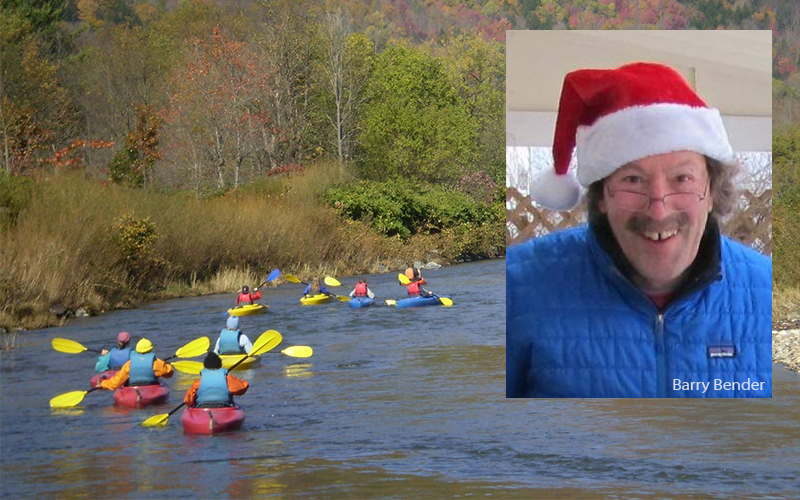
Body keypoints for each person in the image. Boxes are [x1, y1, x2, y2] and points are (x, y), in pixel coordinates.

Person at [507, 62, 771, 398]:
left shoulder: (766, 290)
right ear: (602, 196)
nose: (659, 209)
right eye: (633, 180)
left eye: (682, 179)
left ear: (712, 193)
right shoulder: (515, 288)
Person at [97, 338, 174, 389]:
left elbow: (116, 382)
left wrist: (103, 384)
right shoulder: (156, 363)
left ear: (137, 350)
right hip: (151, 388)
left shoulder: (128, 364)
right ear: (151, 349)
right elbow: (169, 373)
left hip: (132, 389)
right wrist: (167, 365)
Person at [184, 352, 249, 408]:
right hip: (224, 407)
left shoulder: (198, 383)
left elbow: (188, 401)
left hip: (202, 408)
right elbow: (243, 387)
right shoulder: (228, 379)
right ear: (220, 365)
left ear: (205, 366)